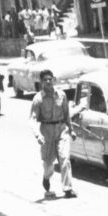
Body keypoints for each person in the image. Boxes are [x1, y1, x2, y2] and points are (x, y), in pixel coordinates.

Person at [30, 69, 76, 199]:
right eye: (45, 80)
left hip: (61, 129)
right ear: (41, 82)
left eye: (50, 79)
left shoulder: (61, 95)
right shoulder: (38, 99)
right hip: (47, 131)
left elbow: (67, 114)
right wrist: (38, 135)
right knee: (49, 164)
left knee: (64, 158)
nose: (48, 81)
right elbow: (32, 119)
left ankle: (67, 189)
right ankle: (46, 178)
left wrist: (71, 130)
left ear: (54, 80)